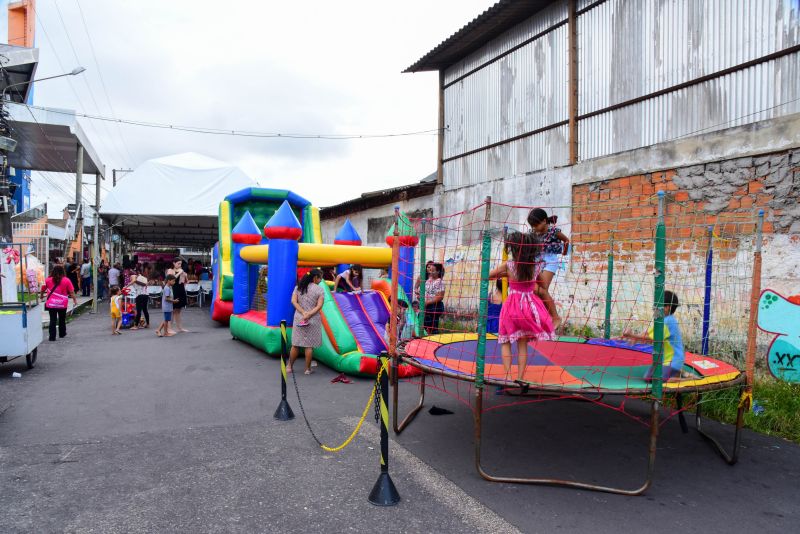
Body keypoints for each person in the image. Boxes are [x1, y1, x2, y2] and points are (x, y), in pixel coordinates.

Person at [489, 231, 554, 392]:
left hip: (512, 305)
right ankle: (521, 376)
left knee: (504, 341)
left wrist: (505, 274)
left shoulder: (509, 265)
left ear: (514, 249)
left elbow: (488, 275)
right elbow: (543, 286)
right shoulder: (535, 266)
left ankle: (507, 376)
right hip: (529, 305)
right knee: (522, 343)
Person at [623, 290, 685, 382]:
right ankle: (677, 372)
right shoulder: (660, 320)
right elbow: (648, 333)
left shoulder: (668, 321)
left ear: (666, 308)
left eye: (657, 306)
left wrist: (631, 335)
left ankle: (689, 379)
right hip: (664, 360)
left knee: (656, 380)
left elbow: (655, 338)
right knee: (647, 377)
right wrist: (635, 338)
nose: (654, 308)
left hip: (673, 360)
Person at [527, 208, 570, 331]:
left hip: (550, 261)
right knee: (535, 291)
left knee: (542, 289)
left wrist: (564, 252)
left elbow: (566, 240)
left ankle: (555, 317)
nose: (534, 228)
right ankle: (543, 317)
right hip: (537, 262)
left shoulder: (554, 231)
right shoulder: (533, 233)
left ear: (544, 221)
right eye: (532, 226)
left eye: (536, 225)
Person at [289, 269, 325, 374]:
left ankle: (289, 367)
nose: (321, 280)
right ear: (315, 278)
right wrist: (309, 314)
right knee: (309, 346)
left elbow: (293, 301)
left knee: (295, 344)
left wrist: (303, 312)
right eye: (320, 278)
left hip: (299, 318)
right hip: (313, 319)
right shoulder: (320, 290)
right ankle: (308, 369)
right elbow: (319, 306)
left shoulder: (298, 287)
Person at [40, 264, 78, 342]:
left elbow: (43, 289)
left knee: (52, 320)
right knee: (62, 319)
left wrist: (41, 296)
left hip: (51, 304)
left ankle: (52, 337)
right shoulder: (66, 280)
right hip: (62, 303)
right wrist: (74, 300)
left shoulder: (48, 280)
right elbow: (71, 292)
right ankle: (62, 333)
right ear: (63, 271)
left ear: (53, 271)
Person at [420, 262, 446, 335]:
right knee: (424, 323)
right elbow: (427, 292)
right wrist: (420, 296)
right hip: (427, 305)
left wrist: (427, 302)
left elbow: (440, 297)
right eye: (430, 270)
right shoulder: (428, 280)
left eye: (432, 270)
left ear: (438, 271)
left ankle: (434, 339)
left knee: (432, 326)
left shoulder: (439, 282)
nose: (430, 272)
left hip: (435, 306)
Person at [167, 257, 189, 333]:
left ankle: (180, 328)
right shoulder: (170, 270)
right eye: (178, 263)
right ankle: (169, 328)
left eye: (181, 264)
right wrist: (179, 273)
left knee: (179, 310)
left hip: (181, 290)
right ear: (174, 263)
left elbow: (186, 282)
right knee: (172, 310)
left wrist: (184, 275)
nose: (180, 265)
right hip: (174, 291)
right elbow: (171, 279)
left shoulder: (181, 270)